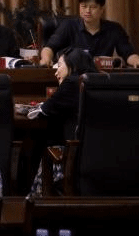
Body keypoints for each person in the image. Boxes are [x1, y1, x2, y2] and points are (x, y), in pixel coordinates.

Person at [28, 47, 98, 196]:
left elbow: (43, 111)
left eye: (59, 65)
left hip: (73, 155)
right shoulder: (98, 81)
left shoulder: (72, 82)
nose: (56, 72)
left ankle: (36, 201)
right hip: (97, 155)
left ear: (72, 65)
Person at [40, 0, 139, 68]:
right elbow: (49, 47)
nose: (87, 11)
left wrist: (137, 62)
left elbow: (128, 53)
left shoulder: (114, 29)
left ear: (102, 9)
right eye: (84, 6)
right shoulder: (69, 26)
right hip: (74, 76)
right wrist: (46, 59)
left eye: (93, 7)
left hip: (102, 78)